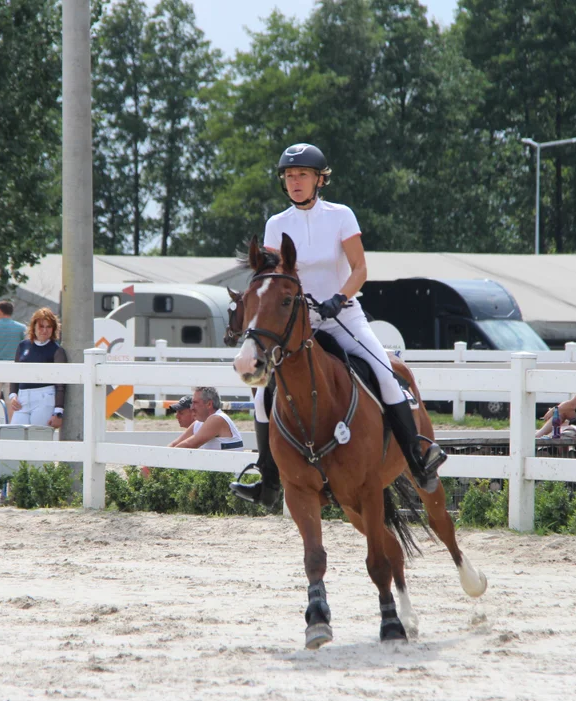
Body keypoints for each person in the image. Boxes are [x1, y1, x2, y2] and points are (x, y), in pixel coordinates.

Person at [231, 143, 442, 507]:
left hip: (344, 317)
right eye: (289, 176)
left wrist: (339, 298)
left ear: (319, 179)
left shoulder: (341, 215)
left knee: (387, 377)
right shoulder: (276, 224)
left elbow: (360, 268)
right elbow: (273, 275)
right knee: (264, 398)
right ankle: (268, 480)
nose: (295, 182)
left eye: (302, 175)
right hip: (298, 326)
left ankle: (417, 458)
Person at [8, 308, 66, 429]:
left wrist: (58, 412)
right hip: (22, 398)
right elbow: (15, 373)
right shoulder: (23, 346)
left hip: (44, 397)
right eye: (41, 326)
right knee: (14, 435)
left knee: (38, 437)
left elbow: (60, 383)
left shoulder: (57, 350)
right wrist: (13, 395)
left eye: (48, 327)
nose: (44, 330)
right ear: (34, 326)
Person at [169, 387, 244, 450]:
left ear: (209, 404)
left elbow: (190, 444)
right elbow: (174, 444)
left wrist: (163, 460)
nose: (191, 407)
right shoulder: (199, 423)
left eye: (195, 403)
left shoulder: (217, 419)